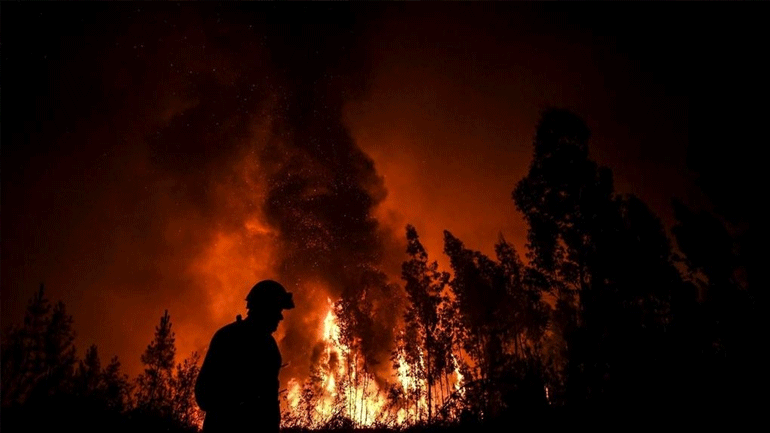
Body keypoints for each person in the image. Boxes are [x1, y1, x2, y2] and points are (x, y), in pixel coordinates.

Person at [195, 280, 295, 433]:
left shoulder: (267, 345)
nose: (280, 317)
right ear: (264, 309)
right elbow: (204, 393)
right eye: (277, 310)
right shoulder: (230, 339)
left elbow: (269, 401)